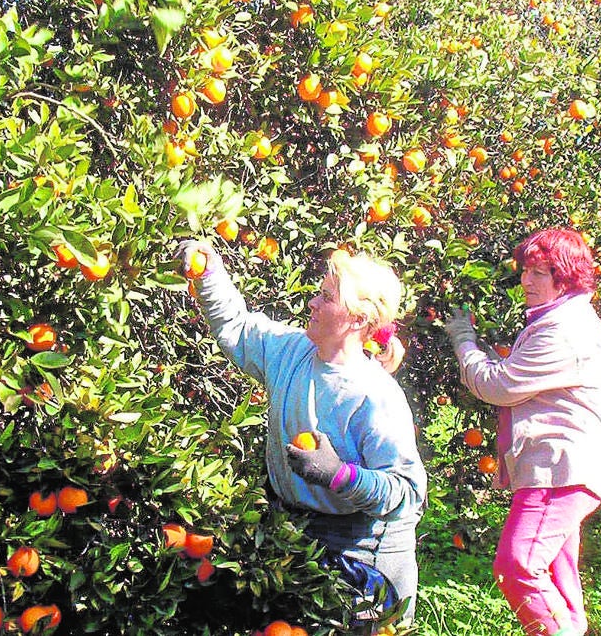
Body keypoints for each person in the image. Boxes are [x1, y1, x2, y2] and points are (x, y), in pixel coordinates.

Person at [179, 240, 426, 625]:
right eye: (317, 293)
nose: (311, 303)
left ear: (357, 319)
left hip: (361, 559)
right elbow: (238, 328)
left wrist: (341, 476)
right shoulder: (292, 353)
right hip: (294, 536)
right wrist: (209, 273)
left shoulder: (375, 397)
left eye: (326, 298)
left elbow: (408, 496)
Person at [442, 227, 601, 636]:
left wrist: (464, 341)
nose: (526, 281)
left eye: (539, 273)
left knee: (518, 564)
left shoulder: (563, 330)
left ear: (567, 278)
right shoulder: (559, 320)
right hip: (566, 464)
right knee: (557, 575)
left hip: (561, 465)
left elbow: (499, 386)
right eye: (525, 271)